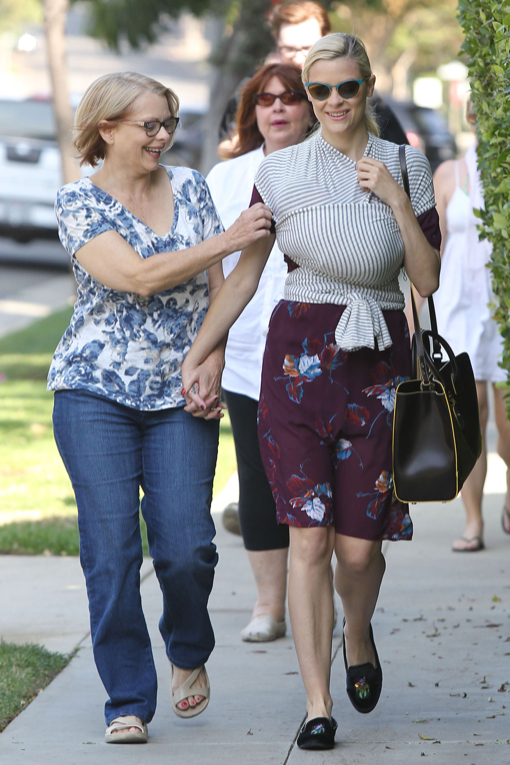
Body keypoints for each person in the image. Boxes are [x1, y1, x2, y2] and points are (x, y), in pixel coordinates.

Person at [183, 33, 440, 749]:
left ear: (368, 87)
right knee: (308, 538)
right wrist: (202, 351)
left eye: (345, 88)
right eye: (318, 89)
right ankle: (318, 701)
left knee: (358, 552)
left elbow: (426, 279)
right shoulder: (282, 172)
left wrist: (390, 196)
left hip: (379, 364)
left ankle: (357, 633)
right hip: (296, 363)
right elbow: (243, 275)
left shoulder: (404, 163)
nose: (331, 103)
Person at [47, 71, 272, 744]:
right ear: (106, 128)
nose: (163, 136)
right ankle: (127, 696)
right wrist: (229, 239)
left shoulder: (192, 189)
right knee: (111, 552)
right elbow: (137, 276)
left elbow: (220, 293)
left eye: (168, 123)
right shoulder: (78, 203)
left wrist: (208, 356)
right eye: (149, 125)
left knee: (187, 547)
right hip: (94, 393)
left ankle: (187, 644)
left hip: (182, 395)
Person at [207, 63, 315, 642]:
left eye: (291, 98)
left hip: (319, 351)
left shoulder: (333, 169)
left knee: (311, 480)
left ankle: (315, 599)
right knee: (256, 477)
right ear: (252, 111)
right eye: (265, 99)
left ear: (310, 107)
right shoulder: (226, 178)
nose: (277, 108)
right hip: (249, 351)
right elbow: (213, 272)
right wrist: (212, 347)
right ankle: (270, 605)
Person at [428, 101, 510, 551]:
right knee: (470, 412)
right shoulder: (449, 174)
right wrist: (416, 306)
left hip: (502, 307)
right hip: (459, 305)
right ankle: (474, 520)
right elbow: (433, 249)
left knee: (506, 415)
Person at [219, 1, 407, 147]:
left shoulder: (357, 91)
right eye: (289, 49)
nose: (300, 58)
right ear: (277, 44)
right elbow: (229, 143)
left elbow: (396, 154)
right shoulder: (254, 89)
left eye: (309, 48)